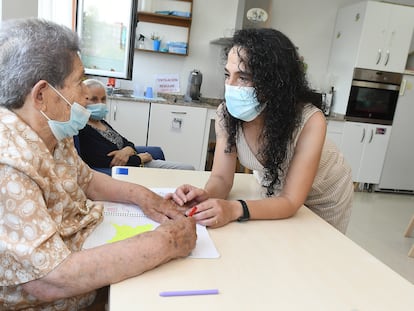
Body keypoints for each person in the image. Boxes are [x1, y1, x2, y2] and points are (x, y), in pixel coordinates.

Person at [0, 18, 196, 310]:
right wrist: (165, 243)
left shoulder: (54, 129)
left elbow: (87, 179)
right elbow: (48, 279)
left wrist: (145, 197)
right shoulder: (8, 163)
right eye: (79, 82)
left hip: (90, 259)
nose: (85, 97)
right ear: (42, 95)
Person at [168, 28, 353, 234]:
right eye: (228, 75)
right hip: (280, 189)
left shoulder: (310, 121)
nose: (231, 86)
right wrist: (205, 196)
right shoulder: (226, 116)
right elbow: (221, 178)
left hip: (324, 193)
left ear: (274, 82)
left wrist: (234, 208)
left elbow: (291, 201)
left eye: (243, 77)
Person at [78, 79, 195, 170]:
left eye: (103, 99)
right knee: (189, 169)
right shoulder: (83, 128)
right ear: (81, 99)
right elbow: (105, 160)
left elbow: (128, 143)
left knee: (188, 169)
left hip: (137, 162)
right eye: (93, 99)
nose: (100, 104)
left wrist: (126, 150)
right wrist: (138, 159)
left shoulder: (101, 122)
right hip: (133, 168)